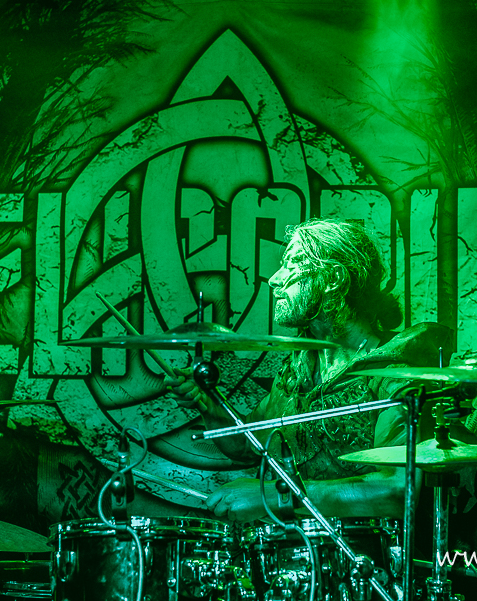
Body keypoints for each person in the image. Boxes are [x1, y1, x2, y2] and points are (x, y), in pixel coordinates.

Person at [165, 218, 451, 522]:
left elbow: (396, 490)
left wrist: (275, 495)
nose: (274, 279)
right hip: (298, 545)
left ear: (333, 279)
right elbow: (249, 445)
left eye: (293, 263)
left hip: (365, 549)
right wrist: (208, 404)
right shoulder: (299, 367)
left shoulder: (394, 373)